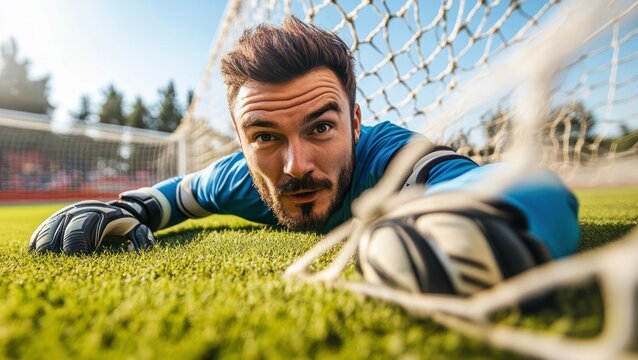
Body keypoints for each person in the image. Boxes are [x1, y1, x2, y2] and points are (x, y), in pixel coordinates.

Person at [29, 17, 579, 296]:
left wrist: (480, 221)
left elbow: (523, 187)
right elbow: (164, 199)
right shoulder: (239, 180)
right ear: (242, 144)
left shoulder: (394, 160)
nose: (295, 165)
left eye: (320, 126)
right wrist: (122, 209)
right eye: (264, 136)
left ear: (356, 124)